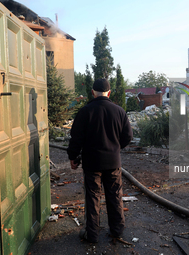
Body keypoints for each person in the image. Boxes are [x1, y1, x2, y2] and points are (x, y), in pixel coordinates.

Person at [67, 78, 133, 243]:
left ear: (92, 92)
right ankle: (117, 231)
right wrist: (115, 149)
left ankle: (92, 234)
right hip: (113, 163)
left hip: (92, 163)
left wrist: (73, 157)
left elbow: (76, 138)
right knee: (115, 196)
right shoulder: (119, 111)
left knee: (93, 197)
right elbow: (128, 137)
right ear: (109, 93)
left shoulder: (85, 112)